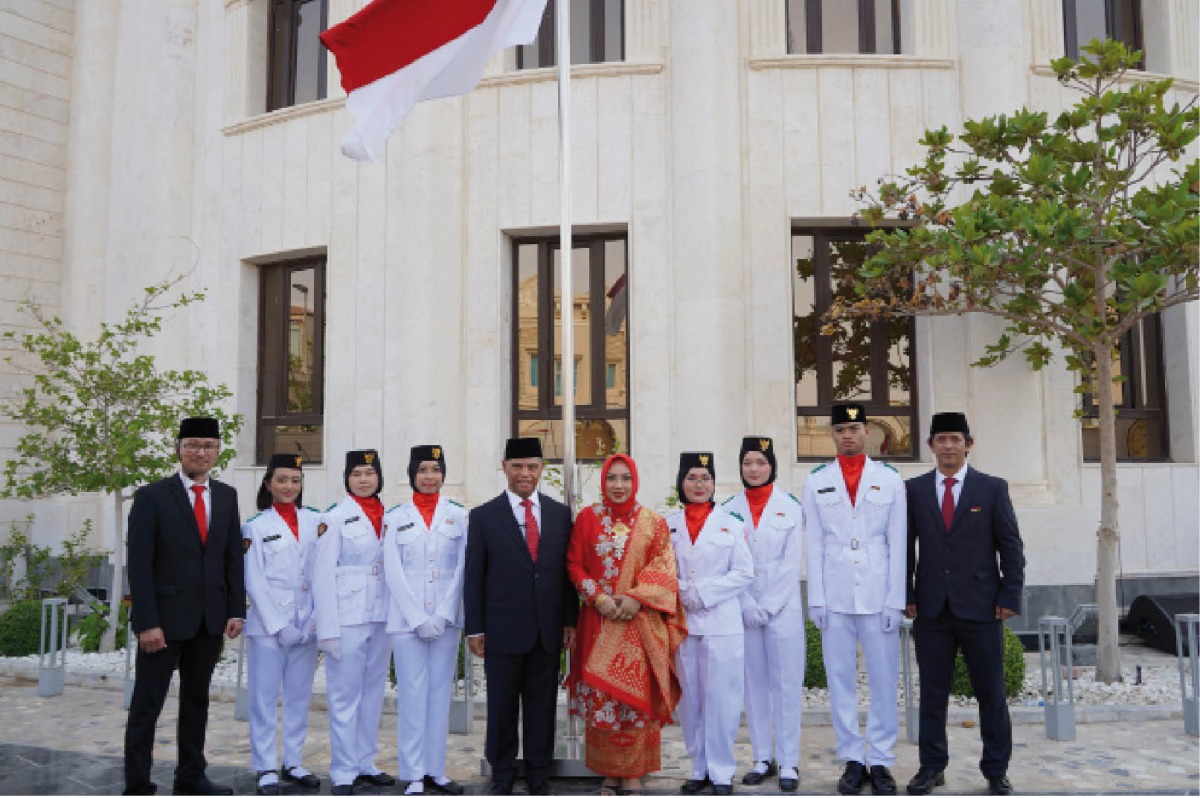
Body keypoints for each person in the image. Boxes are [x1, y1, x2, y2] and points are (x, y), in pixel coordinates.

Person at [903, 413, 1024, 797]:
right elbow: (905, 547)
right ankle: (931, 767)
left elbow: (1011, 545)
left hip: (983, 607)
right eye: (941, 439)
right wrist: (906, 594)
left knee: (991, 693)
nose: (948, 446)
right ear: (931, 446)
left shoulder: (991, 488)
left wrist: (1009, 595)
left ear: (968, 444)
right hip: (931, 609)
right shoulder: (915, 490)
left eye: (955, 438)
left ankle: (996, 770)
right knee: (932, 694)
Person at [123, 417, 245, 796]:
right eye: (192, 445)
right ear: (178, 450)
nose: (200, 452)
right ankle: (138, 784)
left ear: (218, 451)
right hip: (162, 623)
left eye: (208, 445)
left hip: (208, 621)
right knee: (147, 705)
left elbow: (231, 558)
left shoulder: (226, 496)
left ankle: (191, 777)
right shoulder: (152, 497)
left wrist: (235, 609)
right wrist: (146, 622)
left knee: (196, 702)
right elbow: (139, 564)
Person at [463, 437, 579, 796]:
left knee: (542, 706)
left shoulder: (560, 514)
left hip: (547, 629)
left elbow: (566, 573)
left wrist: (570, 620)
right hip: (502, 629)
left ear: (541, 469)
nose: (524, 473)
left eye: (531, 466)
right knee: (501, 706)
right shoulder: (483, 516)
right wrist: (475, 628)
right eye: (517, 466)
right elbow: (474, 576)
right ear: (505, 468)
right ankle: (502, 773)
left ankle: (538, 773)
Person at [566, 454, 686, 796]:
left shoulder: (653, 523)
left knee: (635, 701)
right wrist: (599, 599)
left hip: (638, 623)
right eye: (612, 478)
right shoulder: (587, 518)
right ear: (603, 481)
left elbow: (664, 567)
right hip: (598, 622)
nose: (618, 486)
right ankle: (609, 774)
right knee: (603, 698)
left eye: (625, 478)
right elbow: (574, 564)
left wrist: (635, 598)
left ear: (635, 481)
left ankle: (633, 774)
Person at [803, 404, 906, 796]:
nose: (847, 435)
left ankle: (879, 758)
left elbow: (898, 542)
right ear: (833, 435)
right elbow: (813, 543)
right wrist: (816, 598)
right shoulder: (817, 480)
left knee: (884, 681)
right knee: (840, 680)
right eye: (840, 429)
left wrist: (895, 600)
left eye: (854, 428)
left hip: (878, 594)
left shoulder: (889, 479)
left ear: (866, 432)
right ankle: (851, 757)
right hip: (835, 593)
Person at [382, 445, 468, 796]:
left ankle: (436, 770)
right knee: (412, 696)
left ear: (443, 473)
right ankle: (413, 772)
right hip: (408, 622)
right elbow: (393, 570)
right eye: (423, 470)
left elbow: (461, 568)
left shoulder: (459, 516)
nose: (429, 476)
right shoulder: (395, 517)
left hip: (445, 620)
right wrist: (417, 617)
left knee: (439, 694)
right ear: (412, 474)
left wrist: (443, 614)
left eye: (435, 469)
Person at [668, 452, 754, 797]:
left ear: (714, 483)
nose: (699, 484)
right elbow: (660, 570)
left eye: (705, 478)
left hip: (721, 623)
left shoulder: (731, 524)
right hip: (684, 624)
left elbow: (744, 573)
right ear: (681, 482)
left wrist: (701, 593)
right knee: (690, 701)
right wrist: (681, 591)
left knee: (722, 700)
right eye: (691, 477)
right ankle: (698, 767)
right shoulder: (668, 525)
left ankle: (721, 771)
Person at [724, 436, 804, 793]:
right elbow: (727, 562)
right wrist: (746, 604)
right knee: (753, 684)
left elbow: (791, 563)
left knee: (786, 684)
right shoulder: (729, 509)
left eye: (761, 462)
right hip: (743, 606)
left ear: (772, 465)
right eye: (747, 462)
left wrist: (768, 605)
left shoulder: (791, 506)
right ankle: (762, 758)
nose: (754, 469)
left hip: (782, 608)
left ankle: (788, 761)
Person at [312, 449, 395, 796]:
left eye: (370, 473)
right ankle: (343, 769)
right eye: (357, 473)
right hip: (347, 617)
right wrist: (327, 629)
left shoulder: (389, 516)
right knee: (345, 696)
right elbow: (322, 576)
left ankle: (365, 762)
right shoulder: (333, 518)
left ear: (379, 477)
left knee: (373, 693)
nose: (364, 479)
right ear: (347, 478)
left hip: (381, 615)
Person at [243, 453, 323, 796]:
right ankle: (265, 766)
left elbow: (323, 572)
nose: (289, 486)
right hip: (268, 628)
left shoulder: (316, 521)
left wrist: (316, 617)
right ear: (268, 484)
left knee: (298, 696)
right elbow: (254, 580)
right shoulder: (255, 526)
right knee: (263, 698)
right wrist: (278, 625)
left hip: (306, 624)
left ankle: (293, 760)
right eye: (282, 480)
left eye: (296, 480)